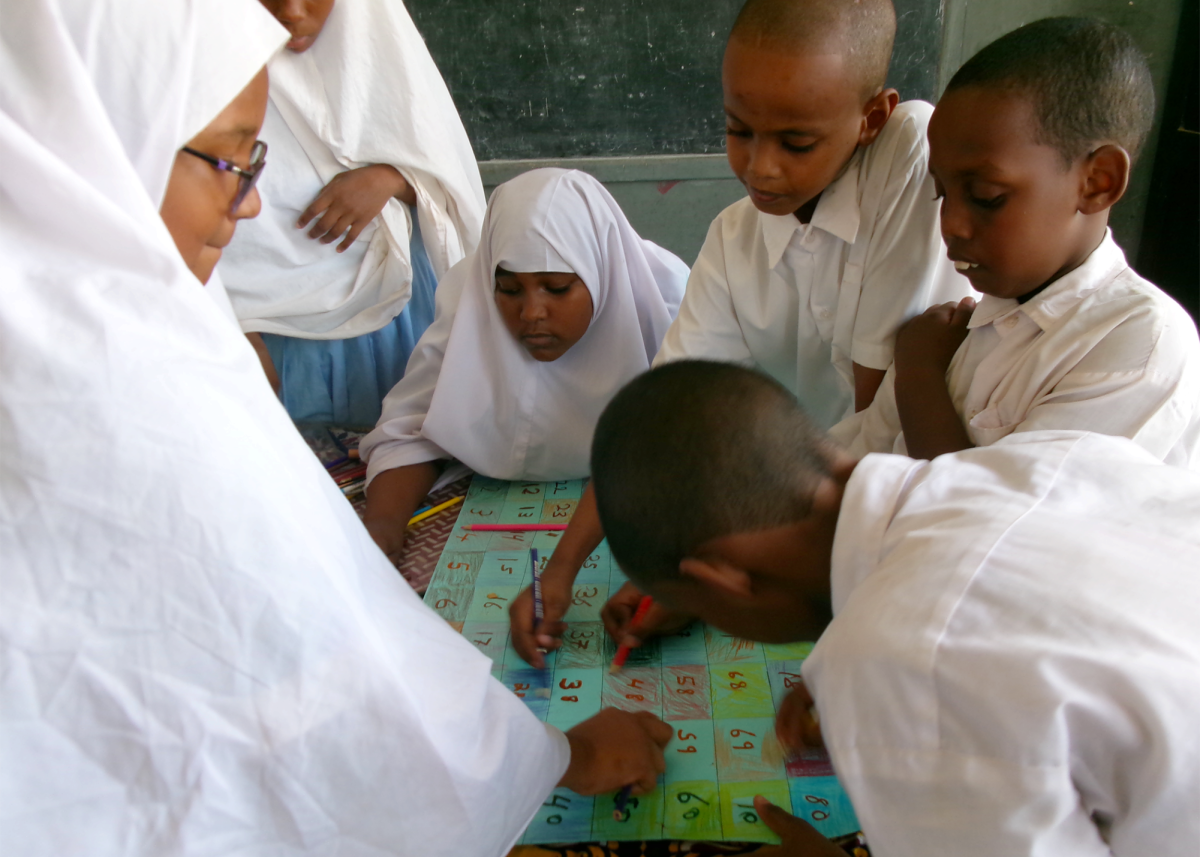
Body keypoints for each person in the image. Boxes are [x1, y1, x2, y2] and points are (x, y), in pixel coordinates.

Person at [0, 2, 671, 855]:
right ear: (106, 131)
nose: (249, 208)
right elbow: (309, 659)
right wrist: (548, 756)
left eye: (258, 159)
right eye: (230, 159)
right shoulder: (125, 377)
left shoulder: (104, 301)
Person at [509, 0, 974, 668]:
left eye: (796, 142)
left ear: (872, 118)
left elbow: (882, 426)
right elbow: (662, 419)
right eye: (738, 130)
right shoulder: (734, 239)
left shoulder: (907, 153)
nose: (761, 168)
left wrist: (741, 573)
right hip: (797, 523)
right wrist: (561, 572)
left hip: (901, 520)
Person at [591, 360, 1200, 856]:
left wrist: (889, 689)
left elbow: (933, 658)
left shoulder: (903, 664)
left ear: (724, 578)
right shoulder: (1042, 456)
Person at [830, 18, 1200, 465]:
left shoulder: (1140, 344)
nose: (952, 225)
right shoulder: (953, 330)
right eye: (941, 192)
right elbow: (857, 463)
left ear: (1097, 182)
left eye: (988, 197)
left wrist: (919, 377)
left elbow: (993, 524)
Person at [359, 168, 687, 565]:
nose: (531, 313)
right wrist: (383, 526)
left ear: (602, 271)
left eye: (558, 288)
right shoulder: (471, 296)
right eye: (510, 290)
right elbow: (408, 432)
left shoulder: (666, 301)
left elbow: (706, 441)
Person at [220, 0, 486, 427]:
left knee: (402, 449)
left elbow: (452, 184)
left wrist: (391, 180)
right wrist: (221, 320)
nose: (290, 11)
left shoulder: (383, 48)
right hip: (267, 337)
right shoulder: (204, 72)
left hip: (395, 318)